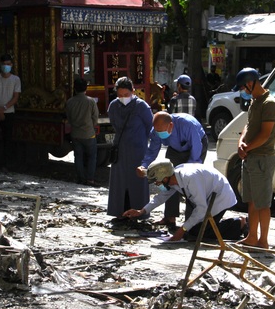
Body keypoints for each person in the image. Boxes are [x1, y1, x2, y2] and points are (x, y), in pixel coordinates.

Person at [124, 159, 246, 242]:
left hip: (220, 197)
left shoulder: (190, 179)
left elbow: (201, 208)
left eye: (157, 181)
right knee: (191, 231)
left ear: (165, 177)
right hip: (206, 199)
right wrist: (142, 211)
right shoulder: (173, 178)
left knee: (200, 233)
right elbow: (162, 196)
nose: (157, 184)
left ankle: (239, 223)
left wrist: (181, 230)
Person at [137, 111, 208, 227]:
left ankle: (191, 223)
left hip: (196, 146)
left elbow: (196, 152)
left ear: (171, 125)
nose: (159, 134)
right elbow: (152, 150)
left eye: (162, 131)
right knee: (167, 180)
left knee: (189, 183)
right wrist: (144, 165)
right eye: (157, 131)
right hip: (174, 150)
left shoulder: (188, 125)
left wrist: (187, 172)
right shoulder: (156, 131)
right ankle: (170, 217)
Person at [234, 67, 275, 249]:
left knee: (263, 203)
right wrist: (241, 143)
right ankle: (252, 237)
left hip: (262, 159)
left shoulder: (269, 103)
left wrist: (248, 148)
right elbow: (248, 125)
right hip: (250, 158)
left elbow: (265, 134)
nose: (243, 91)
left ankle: (263, 240)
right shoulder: (255, 101)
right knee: (251, 201)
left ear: (251, 83)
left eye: (244, 87)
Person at [107, 76, 154, 222]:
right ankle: (119, 211)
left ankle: (139, 212)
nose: (123, 98)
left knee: (137, 181)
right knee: (119, 182)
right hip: (120, 150)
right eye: (120, 95)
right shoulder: (114, 106)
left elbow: (150, 127)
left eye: (126, 95)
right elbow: (114, 124)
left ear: (133, 91)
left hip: (138, 150)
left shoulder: (141, 106)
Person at [65, 78, 99, 185]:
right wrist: (90, 126)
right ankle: (90, 179)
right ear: (86, 88)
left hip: (75, 134)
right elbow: (95, 117)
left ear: (74, 89)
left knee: (78, 157)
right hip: (89, 134)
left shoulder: (69, 102)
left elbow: (69, 118)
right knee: (92, 157)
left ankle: (80, 178)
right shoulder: (91, 101)